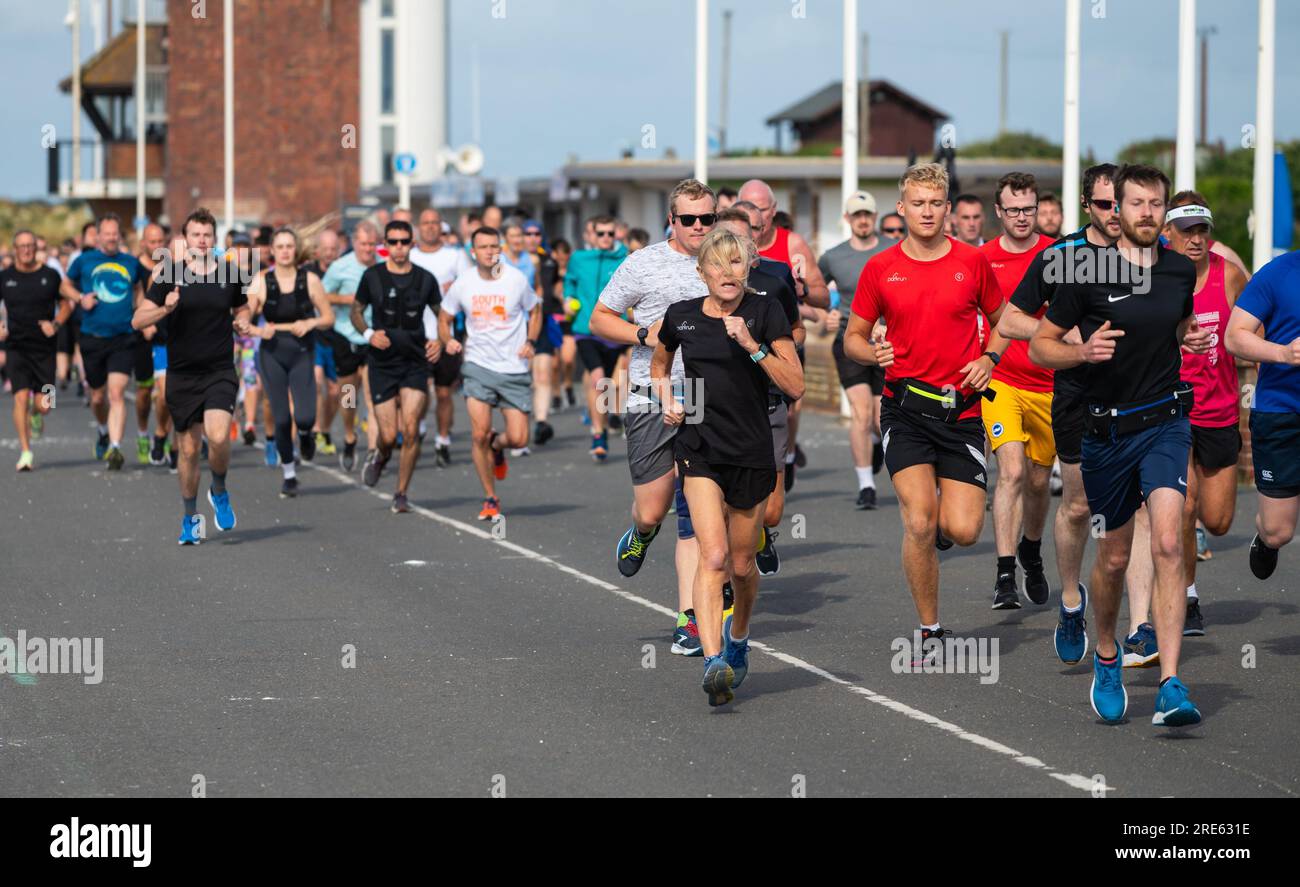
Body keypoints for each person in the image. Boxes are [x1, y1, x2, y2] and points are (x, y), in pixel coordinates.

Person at [1030, 164, 1212, 728]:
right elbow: (1040, 345)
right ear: (1117, 210)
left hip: (1165, 422)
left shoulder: (1182, 270)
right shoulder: (1086, 273)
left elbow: (1174, 326)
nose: (1146, 214)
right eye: (1135, 204)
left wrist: (1191, 336)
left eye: (1156, 204)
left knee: (1167, 544)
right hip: (1106, 432)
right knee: (1111, 556)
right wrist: (1081, 355)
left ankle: (1171, 684)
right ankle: (1106, 654)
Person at [843, 162, 1006, 664]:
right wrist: (875, 354)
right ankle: (930, 630)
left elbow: (1004, 322)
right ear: (902, 208)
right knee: (917, 521)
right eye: (918, 203)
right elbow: (852, 339)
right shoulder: (880, 268)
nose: (928, 212)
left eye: (936, 203)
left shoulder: (972, 262)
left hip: (961, 414)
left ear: (948, 208)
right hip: (905, 409)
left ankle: (941, 526)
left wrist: (989, 357)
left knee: (963, 531)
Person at [653, 227, 803, 706]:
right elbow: (658, 366)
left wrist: (752, 347)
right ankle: (713, 660)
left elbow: (796, 384)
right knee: (712, 556)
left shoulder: (765, 311)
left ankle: (738, 637)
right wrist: (668, 399)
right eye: (717, 265)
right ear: (702, 273)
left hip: (752, 451)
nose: (727, 273)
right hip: (699, 448)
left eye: (736, 263)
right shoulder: (681, 316)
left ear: (747, 269)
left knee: (741, 564)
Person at [997, 162, 1121, 665]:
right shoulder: (1063, 255)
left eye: (1124, 202)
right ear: (1088, 206)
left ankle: (1141, 628)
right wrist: (1065, 335)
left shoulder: (1153, 256)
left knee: (1142, 513)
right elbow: (1009, 318)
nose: (1117, 213)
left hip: (1142, 398)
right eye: (1107, 204)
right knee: (1076, 505)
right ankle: (1071, 600)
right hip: (1074, 396)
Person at [591, 178, 715, 655]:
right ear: (672, 220)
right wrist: (646, 336)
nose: (699, 227)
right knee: (653, 508)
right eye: (690, 219)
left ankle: (690, 618)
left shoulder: (726, 259)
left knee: (698, 516)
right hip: (650, 396)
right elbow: (599, 319)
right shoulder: (643, 263)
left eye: (707, 217)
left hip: (709, 399)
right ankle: (641, 534)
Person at [1157, 193, 1248, 635]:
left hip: (1220, 410)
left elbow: (1255, 327)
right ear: (1167, 232)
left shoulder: (1228, 275)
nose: (1196, 239)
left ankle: (1189, 565)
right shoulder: (1153, 277)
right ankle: (1186, 596)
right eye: (1187, 230)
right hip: (1171, 410)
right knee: (1184, 504)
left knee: (1218, 519)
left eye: (1202, 230)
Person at [134, 208, 251, 544]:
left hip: (219, 371)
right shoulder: (168, 273)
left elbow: (241, 305)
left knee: (217, 437)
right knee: (187, 451)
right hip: (182, 375)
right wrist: (165, 308)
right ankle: (190, 518)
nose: (202, 241)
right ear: (185, 239)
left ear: (214, 240)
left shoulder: (230, 272)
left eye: (207, 235)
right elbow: (138, 321)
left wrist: (242, 319)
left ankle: (219, 488)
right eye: (196, 235)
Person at [978, 172, 1056, 610]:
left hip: (1051, 384)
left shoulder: (1059, 255)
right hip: (1002, 381)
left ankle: (1031, 547)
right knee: (1010, 471)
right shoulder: (982, 259)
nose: (1023, 217)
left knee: (1039, 480)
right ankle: (1005, 573)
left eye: (1029, 209)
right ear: (999, 212)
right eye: (1014, 210)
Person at [720, 205, 805, 576]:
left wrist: (769, 351)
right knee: (719, 497)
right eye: (728, 238)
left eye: (745, 235)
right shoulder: (701, 283)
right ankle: (724, 575)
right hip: (719, 407)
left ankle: (762, 534)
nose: (737, 245)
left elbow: (797, 329)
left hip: (768, 398)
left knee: (770, 509)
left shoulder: (777, 277)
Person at [440, 226, 541, 520]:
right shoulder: (464, 283)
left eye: (494, 247)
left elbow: (535, 311)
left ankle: (499, 445)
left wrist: (531, 341)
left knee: (520, 439)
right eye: (483, 247)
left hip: (513, 367)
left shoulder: (516, 280)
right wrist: (448, 340)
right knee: (478, 434)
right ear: (473, 252)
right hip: (477, 365)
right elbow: (444, 318)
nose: (489, 252)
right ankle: (490, 497)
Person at [351, 220, 443, 513]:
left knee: (412, 429)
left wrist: (441, 340)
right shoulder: (372, 276)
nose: (399, 247)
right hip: (382, 363)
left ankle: (401, 492)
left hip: (415, 361)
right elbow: (356, 310)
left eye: (404, 241)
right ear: (385, 245)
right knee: (389, 436)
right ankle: (380, 456)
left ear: (412, 244)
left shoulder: (426, 279)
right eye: (393, 242)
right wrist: (368, 333)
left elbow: (444, 314)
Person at [1225, 247, 1300, 582]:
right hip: (1281, 412)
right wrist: (1283, 352)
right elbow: (1234, 335)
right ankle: (1266, 539)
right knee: (1278, 530)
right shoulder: (1278, 272)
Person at [818, 191, 895, 509]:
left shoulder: (893, 250)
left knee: (879, 417)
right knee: (860, 413)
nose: (863, 220)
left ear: (875, 217)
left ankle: (877, 441)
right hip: (850, 339)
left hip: (887, 341)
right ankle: (866, 486)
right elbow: (814, 295)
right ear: (848, 219)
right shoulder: (832, 257)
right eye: (857, 215)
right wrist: (826, 316)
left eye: (868, 214)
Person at [244, 228, 335, 497]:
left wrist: (310, 322)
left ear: (296, 250)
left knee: (305, 416)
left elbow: (329, 317)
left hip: (302, 350)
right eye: (280, 246)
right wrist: (260, 330)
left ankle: (306, 435)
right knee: (281, 418)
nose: (284, 251)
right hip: (271, 352)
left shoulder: (310, 280)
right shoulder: (261, 281)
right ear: (272, 251)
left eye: (289, 246)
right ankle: (289, 474)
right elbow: (244, 318)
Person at [62, 214, 148, 470]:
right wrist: (80, 298)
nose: (111, 238)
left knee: (117, 393)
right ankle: (102, 430)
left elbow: (140, 289)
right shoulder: (84, 261)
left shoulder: (131, 263)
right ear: (98, 236)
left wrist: (140, 311)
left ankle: (116, 448)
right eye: (107, 233)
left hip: (123, 338)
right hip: (92, 337)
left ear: (119, 236)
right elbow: (64, 285)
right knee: (98, 398)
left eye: (115, 233)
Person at [0, 230, 74, 470]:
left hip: (45, 349)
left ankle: (36, 413)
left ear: (36, 248)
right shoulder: (5, 277)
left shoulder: (50, 275)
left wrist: (56, 324)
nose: (26, 250)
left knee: (46, 406)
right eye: (21, 246)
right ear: (14, 249)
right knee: (19, 398)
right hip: (16, 347)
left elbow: (66, 304)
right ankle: (25, 452)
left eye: (30, 245)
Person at [565, 215, 629, 462]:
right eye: (600, 233)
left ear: (616, 234)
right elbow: (569, 282)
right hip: (586, 328)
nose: (605, 238)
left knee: (611, 383)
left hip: (614, 330)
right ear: (592, 234)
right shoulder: (579, 259)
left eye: (609, 234)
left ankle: (606, 419)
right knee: (597, 379)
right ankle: (598, 433)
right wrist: (568, 299)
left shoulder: (625, 258)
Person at [321, 221, 380, 472]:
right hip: (346, 337)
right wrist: (346, 299)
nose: (368, 249)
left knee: (372, 397)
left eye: (372, 244)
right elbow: (321, 295)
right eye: (364, 244)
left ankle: (373, 452)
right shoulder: (340, 267)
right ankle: (349, 435)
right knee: (349, 396)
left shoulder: (382, 266)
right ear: (355, 243)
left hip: (374, 338)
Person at [411, 207, 472, 449]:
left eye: (434, 223)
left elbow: (470, 288)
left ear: (441, 227)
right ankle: (420, 424)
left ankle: (443, 439)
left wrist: (456, 287)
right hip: (416, 335)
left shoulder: (455, 256)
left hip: (445, 334)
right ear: (419, 227)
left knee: (444, 393)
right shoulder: (410, 256)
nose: (430, 227)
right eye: (425, 223)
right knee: (420, 390)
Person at [306, 229, 342, 457]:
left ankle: (333, 427)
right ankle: (316, 429)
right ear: (317, 251)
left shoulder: (345, 270)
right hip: (316, 338)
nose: (329, 254)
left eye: (334, 249)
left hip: (342, 339)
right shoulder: (308, 273)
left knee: (341, 391)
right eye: (325, 249)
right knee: (317, 381)